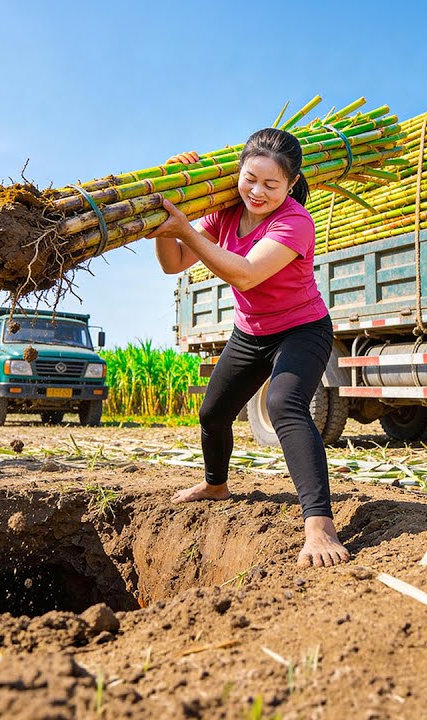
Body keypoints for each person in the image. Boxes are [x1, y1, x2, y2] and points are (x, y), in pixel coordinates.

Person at [149, 128, 350, 569]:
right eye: (250, 179)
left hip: (302, 329)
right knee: (213, 413)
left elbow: (244, 274)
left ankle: (319, 524)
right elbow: (173, 264)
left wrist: (186, 228)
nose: (257, 192)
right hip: (250, 332)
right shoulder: (226, 213)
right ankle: (216, 485)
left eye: (271, 184)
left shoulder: (295, 222)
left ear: (292, 184)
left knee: (284, 404)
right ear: (239, 172)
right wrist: (165, 212)